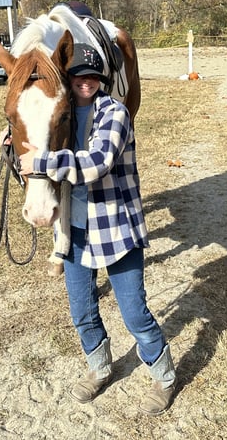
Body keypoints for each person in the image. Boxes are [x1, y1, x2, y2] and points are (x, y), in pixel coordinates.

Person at [18, 43, 176, 415]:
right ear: (69, 79)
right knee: (82, 312)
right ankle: (100, 366)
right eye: (79, 77)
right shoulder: (65, 112)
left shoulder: (115, 113)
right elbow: (40, 127)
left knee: (134, 312)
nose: (86, 83)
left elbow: (98, 161)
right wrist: (14, 140)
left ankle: (164, 375)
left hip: (116, 228)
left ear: (102, 80)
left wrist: (39, 160)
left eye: (93, 77)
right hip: (75, 228)